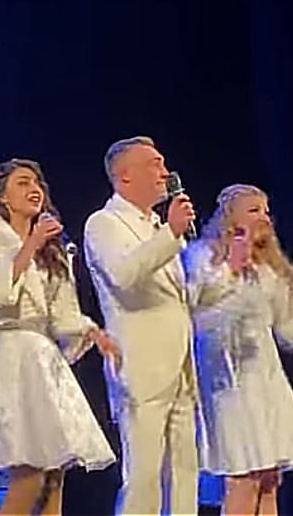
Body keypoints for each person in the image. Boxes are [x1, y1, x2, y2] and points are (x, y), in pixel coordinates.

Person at [0, 159, 119, 515]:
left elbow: (62, 315)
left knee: (53, 476)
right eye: (23, 182)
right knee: (29, 474)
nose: (35, 189)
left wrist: (92, 332)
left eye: (38, 183)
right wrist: (30, 244)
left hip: (44, 360)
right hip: (9, 355)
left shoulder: (52, 247)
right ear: (1, 195)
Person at [183, 184, 293, 516]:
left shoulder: (268, 270)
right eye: (254, 210)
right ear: (230, 218)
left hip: (265, 382)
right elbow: (197, 314)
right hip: (228, 382)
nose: (265, 217)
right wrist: (232, 269)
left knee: (268, 479)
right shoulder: (203, 258)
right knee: (243, 478)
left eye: (266, 210)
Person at [83, 136, 201, 515]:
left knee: (185, 471)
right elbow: (124, 275)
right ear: (125, 176)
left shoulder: (156, 226)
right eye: (154, 164)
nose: (165, 172)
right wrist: (171, 233)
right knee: (144, 475)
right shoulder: (104, 223)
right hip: (141, 367)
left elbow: (176, 297)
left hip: (180, 366)